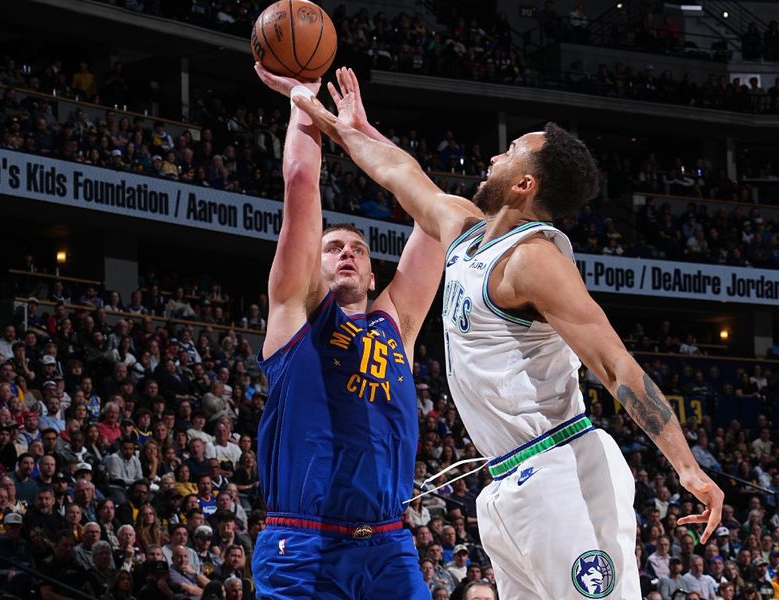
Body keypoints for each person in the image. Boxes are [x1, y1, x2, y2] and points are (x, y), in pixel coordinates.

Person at [293, 68, 724, 599]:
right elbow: (397, 171)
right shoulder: (464, 229)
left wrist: (687, 466)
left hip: (563, 470)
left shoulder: (533, 261)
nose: (497, 154)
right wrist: (345, 124)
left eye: (513, 150)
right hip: (506, 485)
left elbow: (616, 366)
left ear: (525, 184)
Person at [251, 63, 444, 599]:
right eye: (333, 247)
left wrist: (361, 132)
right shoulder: (296, 312)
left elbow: (433, 216)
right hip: (302, 541)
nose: (347, 254)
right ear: (310, 265)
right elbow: (300, 180)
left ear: (373, 272)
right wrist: (303, 102)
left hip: (387, 547)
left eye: (357, 249)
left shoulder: (395, 325)